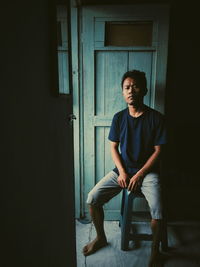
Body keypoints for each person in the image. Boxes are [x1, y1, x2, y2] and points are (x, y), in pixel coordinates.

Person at [82, 70, 166, 266]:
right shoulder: (119, 118)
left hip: (148, 173)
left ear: (144, 90)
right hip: (123, 171)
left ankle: (155, 251)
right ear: (122, 92)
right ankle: (101, 238)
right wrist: (122, 171)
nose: (131, 91)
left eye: (135, 86)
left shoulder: (156, 118)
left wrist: (140, 174)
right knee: (92, 198)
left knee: (158, 211)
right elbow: (113, 147)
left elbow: (159, 151)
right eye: (127, 87)